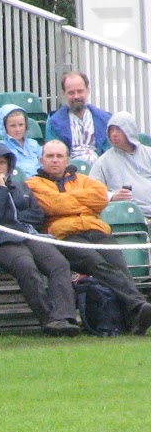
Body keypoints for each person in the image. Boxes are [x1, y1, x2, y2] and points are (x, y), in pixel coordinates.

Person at [29, 138, 151, 333]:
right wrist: (83, 200)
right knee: (95, 262)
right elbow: (53, 205)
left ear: (68, 159)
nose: (55, 160)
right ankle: (138, 306)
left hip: (96, 229)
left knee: (118, 263)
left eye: (59, 156)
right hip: (64, 235)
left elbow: (100, 197)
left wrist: (68, 199)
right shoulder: (33, 183)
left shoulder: (83, 179)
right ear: (41, 160)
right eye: (50, 156)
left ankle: (134, 319)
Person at [0, 143, 80, 336]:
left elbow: (36, 214)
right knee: (26, 266)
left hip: (25, 233)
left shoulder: (18, 186)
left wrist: (17, 220)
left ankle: (65, 317)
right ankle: (48, 319)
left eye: (3, 163)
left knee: (58, 263)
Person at [89, 112, 151, 221]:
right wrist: (112, 196)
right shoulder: (103, 161)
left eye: (119, 130)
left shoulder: (148, 153)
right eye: (111, 130)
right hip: (126, 215)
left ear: (129, 130)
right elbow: (92, 190)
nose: (114, 134)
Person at [46, 72, 111, 165]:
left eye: (80, 91)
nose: (76, 96)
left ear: (87, 91)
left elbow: (110, 152)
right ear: (64, 93)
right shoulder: (54, 123)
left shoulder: (105, 120)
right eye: (71, 93)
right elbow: (54, 155)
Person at [0, 104, 43, 181]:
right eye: (13, 126)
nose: (18, 129)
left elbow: (44, 164)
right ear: (4, 127)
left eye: (21, 125)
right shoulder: (2, 148)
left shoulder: (34, 144)